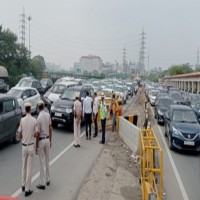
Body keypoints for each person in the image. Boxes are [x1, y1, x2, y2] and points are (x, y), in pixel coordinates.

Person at [18, 102, 38, 197]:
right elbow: (37, 133)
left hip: (23, 145)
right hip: (30, 145)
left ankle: (23, 185)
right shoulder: (34, 120)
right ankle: (27, 189)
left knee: (23, 166)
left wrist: (24, 136)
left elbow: (19, 134)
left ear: (25, 110)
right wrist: (32, 135)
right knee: (29, 167)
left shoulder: (22, 120)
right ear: (30, 109)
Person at [36, 100, 52, 190]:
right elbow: (50, 128)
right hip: (47, 139)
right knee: (47, 160)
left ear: (38, 107)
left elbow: (37, 133)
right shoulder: (48, 115)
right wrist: (51, 140)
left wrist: (36, 145)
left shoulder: (38, 118)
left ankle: (42, 183)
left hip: (41, 140)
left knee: (41, 162)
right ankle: (48, 179)